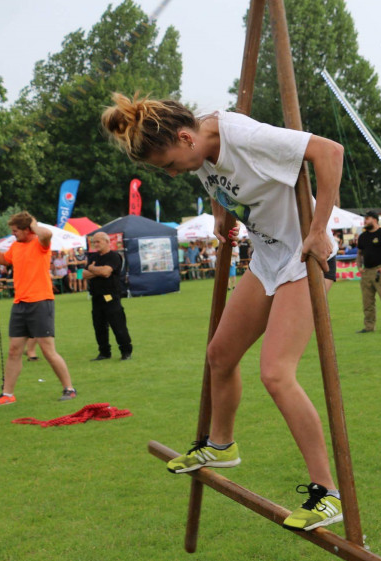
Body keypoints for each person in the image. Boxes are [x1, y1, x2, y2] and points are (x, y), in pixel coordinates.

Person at [101, 93, 344, 530]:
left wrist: (319, 229)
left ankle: (327, 493)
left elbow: (329, 152)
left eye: (170, 164)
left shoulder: (244, 136)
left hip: (303, 259)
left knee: (275, 373)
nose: (174, 173)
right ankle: (221, 443)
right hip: (268, 260)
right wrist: (220, 215)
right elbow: (219, 181)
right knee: (220, 355)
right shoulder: (199, 148)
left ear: (184, 136)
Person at [0, 211, 77, 405]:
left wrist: (33, 224)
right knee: (14, 350)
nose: (13, 234)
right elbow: (4, 260)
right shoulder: (16, 246)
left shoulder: (40, 244)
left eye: (16, 231)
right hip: (20, 303)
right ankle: (7, 395)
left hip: (41, 301)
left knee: (48, 350)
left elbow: (47, 235)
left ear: (27, 229)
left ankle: (69, 389)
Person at [83, 231, 132, 361]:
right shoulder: (93, 257)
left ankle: (126, 351)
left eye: (98, 241)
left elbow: (105, 272)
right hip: (96, 296)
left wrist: (93, 269)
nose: (95, 244)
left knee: (118, 324)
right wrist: (98, 271)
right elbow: (83, 274)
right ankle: (104, 352)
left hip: (111, 295)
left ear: (107, 242)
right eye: (94, 242)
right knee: (99, 326)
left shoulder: (114, 256)